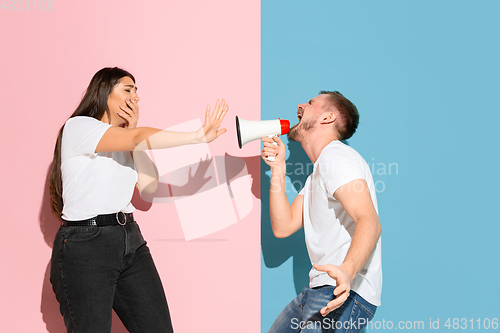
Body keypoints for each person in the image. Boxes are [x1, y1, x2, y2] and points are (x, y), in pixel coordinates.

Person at [49, 67, 228, 332]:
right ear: (103, 92)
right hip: (86, 246)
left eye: (137, 91)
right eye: (128, 89)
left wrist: (133, 134)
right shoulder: (80, 126)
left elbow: (149, 186)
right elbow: (135, 137)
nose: (136, 97)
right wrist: (196, 137)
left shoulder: (126, 140)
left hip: (130, 241)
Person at [261, 91, 382, 333]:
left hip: (340, 290)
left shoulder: (336, 158)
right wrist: (278, 170)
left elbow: (369, 221)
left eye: (311, 103)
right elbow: (284, 226)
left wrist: (346, 273)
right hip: (317, 290)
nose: (301, 105)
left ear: (328, 117)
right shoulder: (318, 173)